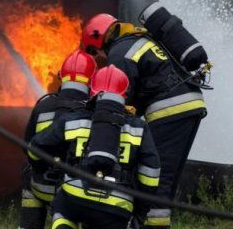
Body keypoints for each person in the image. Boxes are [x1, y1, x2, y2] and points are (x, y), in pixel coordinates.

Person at [80, 13, 207, 229]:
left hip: (170, 110)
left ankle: (153, 225)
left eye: (94, 50)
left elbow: (118, 100)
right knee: (166, 176)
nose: (98, 56)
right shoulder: (141, 39)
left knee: (157, 179)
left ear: (99, 37)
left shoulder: (119, 54)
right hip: (189, 104)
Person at [29, 65, 160, 229]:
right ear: (124, 96)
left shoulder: (73, 120)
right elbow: (151, 174)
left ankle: (64, 224)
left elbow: (35, 147)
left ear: (92, 92)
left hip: (74, 198)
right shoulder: (139, 128)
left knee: (61, 209)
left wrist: (41, 168)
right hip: (116, 208)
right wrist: (139, 212)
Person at [18, 49, 95, 229]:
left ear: (62, 77)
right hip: (75, 191)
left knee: (28, 170)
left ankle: (30, 224)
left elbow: (27, 146)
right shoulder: (93, 112)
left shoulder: (43, 106)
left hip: (41, 185)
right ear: (92, 80)